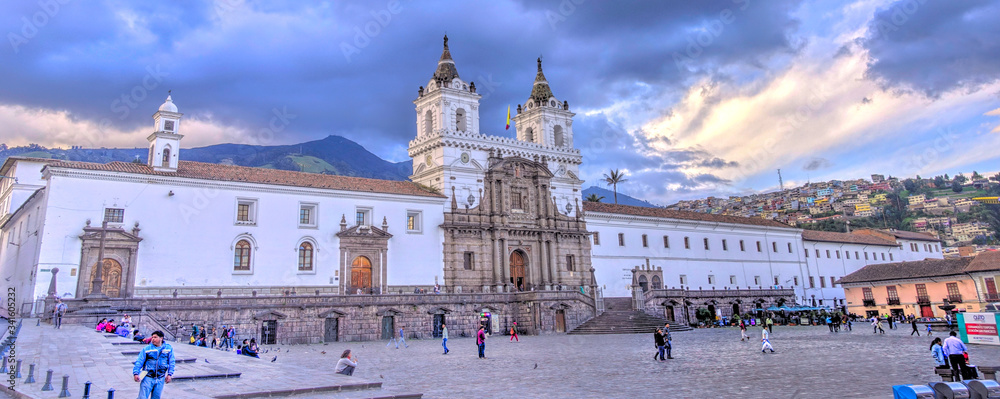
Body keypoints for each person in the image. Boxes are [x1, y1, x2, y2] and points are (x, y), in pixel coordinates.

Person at [132, 331, 175, 399]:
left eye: (155, 337)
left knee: (156, 397)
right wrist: (136, 373)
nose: (153, 339)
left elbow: (171, 362)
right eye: (152, 337)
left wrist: (170, 374)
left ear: (161, 338)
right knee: (142, 397)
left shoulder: (168, 348)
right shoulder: (147, 349)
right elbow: (139, 361)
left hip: (160, 378)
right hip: (148, 377)